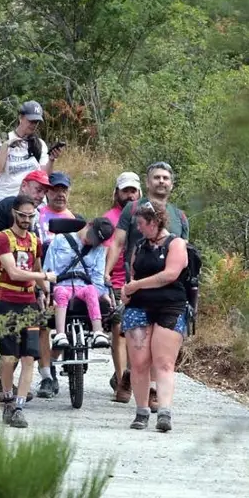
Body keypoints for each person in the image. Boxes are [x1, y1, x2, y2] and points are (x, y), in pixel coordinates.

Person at [104, 161, 189, 410]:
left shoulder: (179, 216)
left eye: (166, 178)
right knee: (127, 332)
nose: (161, 181)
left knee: (157, 342)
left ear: (172, 184)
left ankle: (151, 388)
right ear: (148, 182)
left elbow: (185, 254)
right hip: (136, 285)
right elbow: (118, 242)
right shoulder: (132, 209)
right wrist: (108, 272)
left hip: (168, 291)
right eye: (156, 177)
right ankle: (126, 376)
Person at [0, 169, 50, 402]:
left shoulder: (27, 223)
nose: (40, 195)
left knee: (16, 341)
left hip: (12, 282)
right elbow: (5, 261)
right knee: (6, 334)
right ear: (24, 186)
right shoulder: (7, 211)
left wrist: (39, 288)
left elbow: (30, 258)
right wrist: (40, 280)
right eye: (38, 189)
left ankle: (4, 386)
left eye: (44, 191)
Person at [120, 202, 190, 432]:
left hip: (169, 307)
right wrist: (127, 291)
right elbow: (131, 274)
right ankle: (141, 411)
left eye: (141, 224)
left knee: (164, 362)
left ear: (154, 222)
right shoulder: (139, 246)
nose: (138, 229)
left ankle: (164, 412)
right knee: (139, 363)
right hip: (139, 307)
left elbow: (169, 275)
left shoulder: (176, 244)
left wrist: (136, 285)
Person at [0, 195, 56, 428]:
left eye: (30, 216)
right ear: (14, 214)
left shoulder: (35, 240)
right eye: (23, 215)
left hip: (29, 303)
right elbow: (14, 272)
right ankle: (8, 398)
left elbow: (35, 268)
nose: (26, 220)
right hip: (6, 300)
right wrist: (44, 277)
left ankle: (18, 405)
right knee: (8, 357)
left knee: (29, 356)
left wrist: (46, 292)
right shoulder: (2, 239)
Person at [44, 217, 114, 350]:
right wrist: (48, 291)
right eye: (92, 236)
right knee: (60, 293)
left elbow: (98, 277)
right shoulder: (60, 240)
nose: (91, 241)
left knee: (92, 291)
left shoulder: (98, 249)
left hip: (83, 286)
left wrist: (103, 293)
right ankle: (60, 334)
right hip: (62, 284)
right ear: (89, 225)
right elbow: (48, 268)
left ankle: (98, 332)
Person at [104, 171, 142, 403]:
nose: (129, 195)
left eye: (133, 190)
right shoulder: (108, 218)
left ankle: (128, 374)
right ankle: (121, 381)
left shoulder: (146, 216)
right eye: (125, 190)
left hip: (139, 281)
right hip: (116, 281)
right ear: (116, 192)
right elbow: (106, 250)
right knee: (120, 328)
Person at [0, 101, 63, 201]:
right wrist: (6, 146)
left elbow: (44, 175)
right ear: (21, 118)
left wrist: (51, 160)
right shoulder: (4, 140)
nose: (33, 125)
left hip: (33, 196)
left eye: (36, 122)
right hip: (7, 195)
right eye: (31, 121)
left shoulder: (39, 144)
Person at [36, 171, 76, 254]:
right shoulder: (37, 214)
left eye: (64, 190)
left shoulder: (73, 220)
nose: (60, 194)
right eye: (56, 190)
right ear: (47, 191)